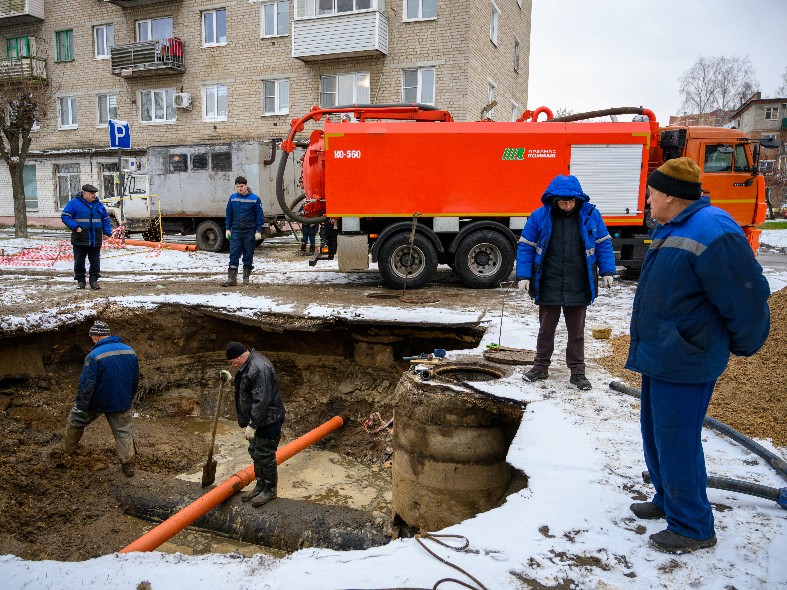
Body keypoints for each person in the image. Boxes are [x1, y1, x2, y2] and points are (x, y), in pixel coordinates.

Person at [626, 157, 770, 554]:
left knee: (678, 442)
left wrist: (745, 342)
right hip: (663, 351)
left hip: (686, 356)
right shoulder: (677, 225)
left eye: (652, 193)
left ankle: (692, 527)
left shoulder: (714, 231)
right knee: (657, 436)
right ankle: (667, 499)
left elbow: (747, 295)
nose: (648, 200)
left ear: (671, 196)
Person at [515, 174, 616, 390]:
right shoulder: (539, 216)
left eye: (571, 201)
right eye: (562, 202)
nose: (567, 205)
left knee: (576, 332)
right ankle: (540, 367)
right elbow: (526, 246)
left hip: (579, 282)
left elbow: (603, 243)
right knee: (546, 329)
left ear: (578, 199)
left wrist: (607, 270)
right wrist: (523, 275)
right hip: (548, 282)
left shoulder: (590, 215)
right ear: (553, 200)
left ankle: (578, 372)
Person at [62, 320, 140, 477]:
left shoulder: (94, 355)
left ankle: (65, 453)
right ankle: (128, 464)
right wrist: (128, 398)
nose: (91, 339)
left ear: (96, 336)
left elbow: (87, 385)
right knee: (123, 431)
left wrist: (81, 407)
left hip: (97, 402)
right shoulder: (130, 351)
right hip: (121, 400)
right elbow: (135, 379)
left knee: (75, 421)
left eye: (92, 336)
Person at [221, 341, 285, 507]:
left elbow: (262, 400)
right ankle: (260, 485)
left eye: (232, 362)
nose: (233, 365)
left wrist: (253, 424)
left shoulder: (259, 368)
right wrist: (232, 380)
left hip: (269, 420)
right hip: (261, 419)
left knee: (265, 454)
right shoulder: (249, 364)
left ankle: (270, 490)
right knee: (255, 451)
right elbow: (247, 383)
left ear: (238, 357)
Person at [61, 184, 112, 290]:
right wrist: (75, 227)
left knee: (95, 261)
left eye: (94, 193)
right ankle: (81, 281)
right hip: (80, 237)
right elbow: (65, 216)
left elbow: (105, 219)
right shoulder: (74, 203)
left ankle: (94, 281)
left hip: (95, 238)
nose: (94, 195)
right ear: (84, 194)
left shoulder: (98, 205)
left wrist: (107, 232)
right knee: (79, 261)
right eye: (91, 193)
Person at [222, 176, 264, 287]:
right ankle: (231, 279)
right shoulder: (233, 198)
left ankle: (246, 279)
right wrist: (228, 229)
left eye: (241, 186)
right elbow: (229, 214)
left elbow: (259, 216)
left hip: (249, 232)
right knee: (234, 254)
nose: (239, 188)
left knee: (248, 255)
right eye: (237, 187)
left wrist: (258, 231)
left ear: (246, 185)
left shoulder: (255, 199)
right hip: (236, 231)